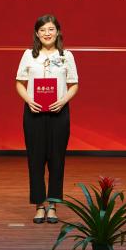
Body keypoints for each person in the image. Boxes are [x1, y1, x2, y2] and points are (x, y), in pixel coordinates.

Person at [15, 14, 79, 224]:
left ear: (58, 32)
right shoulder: (28, 55)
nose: (47, 33)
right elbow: (19, 83)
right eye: (42, 30)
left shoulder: (66, 56)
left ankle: (52, 205)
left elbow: (74, 84)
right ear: (36, 33)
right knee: (35, 160)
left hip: (59, 114)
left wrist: (63, 101)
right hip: (33, 114)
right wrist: (29, 100)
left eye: (51, 29)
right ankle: (39, 205)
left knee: (57, 161)